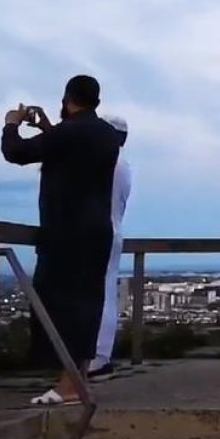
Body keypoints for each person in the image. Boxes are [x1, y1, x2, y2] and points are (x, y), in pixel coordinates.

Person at [0, 75, 122, 405]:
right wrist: (47, 127)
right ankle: (77, 379)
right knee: (86, 305)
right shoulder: (107, 135)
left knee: (59, 306)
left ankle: (68, 385)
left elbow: (16, 153)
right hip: (97, 230)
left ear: (67, 97)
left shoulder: (70, 133)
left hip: (66, 230)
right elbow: (70, 149)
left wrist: (12, 124)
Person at [88, 115, 132, 382]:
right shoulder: (122, 165)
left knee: (101, 295)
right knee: (103, 293)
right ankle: (97, 357)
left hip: (100, 233)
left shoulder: (109, 164)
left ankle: (98, 358)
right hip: (111, 232)